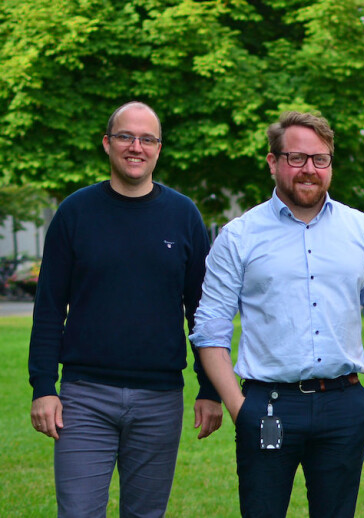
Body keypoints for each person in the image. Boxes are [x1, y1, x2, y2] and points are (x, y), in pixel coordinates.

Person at [190, 111, 364, 518]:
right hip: (267, 406)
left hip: (345, 405)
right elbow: (210, 328)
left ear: (330, 164)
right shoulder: (239, 235)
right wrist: (239, 407)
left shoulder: (361, 231)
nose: (309, 169)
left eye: (320, 159)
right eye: (296, 158)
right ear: (273, 162)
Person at [27, 101, 223, 517]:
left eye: (147, 138)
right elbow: (48, 309)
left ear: (158, 148)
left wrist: (209, 389)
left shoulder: (184, 215)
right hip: (84, 398)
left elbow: (203, 312)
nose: (136, 147)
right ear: (107, 143)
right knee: (78, 512)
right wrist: (44, 387)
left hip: (160, 399)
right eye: (125, 137)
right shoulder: (74, 214)